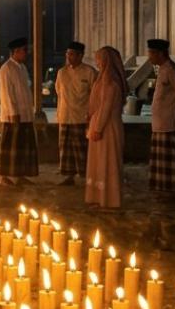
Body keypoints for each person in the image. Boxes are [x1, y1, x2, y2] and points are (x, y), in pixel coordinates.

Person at [85, 46, 127, 209]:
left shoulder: (111, 82)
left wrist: (98, 128)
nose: (97, 63)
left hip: (107, 128)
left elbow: (106, 107)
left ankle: (109, 198)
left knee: (107, 161)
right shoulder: (102, 79)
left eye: (99, 59)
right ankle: (97, 196)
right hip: (98, 124)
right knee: (98, 162)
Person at [147, 38, 175, 196]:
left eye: (151, 53)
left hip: (170, 123)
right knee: (160, 160)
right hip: (160, 124)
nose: (149, 56)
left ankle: (170, 190)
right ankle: (161, 188)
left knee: (169, 160)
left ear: (160, 53)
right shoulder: (162, 69)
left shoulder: (172, 70)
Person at [54, 41, 97, 186]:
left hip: (81, 116)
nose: (69, 57)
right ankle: (68, 175)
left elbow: (94, 95)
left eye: (72, 54)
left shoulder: (89, 72)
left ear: (80, 56)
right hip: (65, 115)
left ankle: (86, 175)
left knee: (82, 148)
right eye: (67, 54)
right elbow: (59, 92)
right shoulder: (62, 73)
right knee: (65, 148)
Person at [0, 37, 38, 186]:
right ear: (15, 52)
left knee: (23, 146)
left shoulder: (22, 68)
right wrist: (13, 112)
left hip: (25, 113)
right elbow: (7, 93)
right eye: (23, 51)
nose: (25, 54)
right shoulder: (6, 68)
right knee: (11, 146)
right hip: (12, 116)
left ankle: (20, 175)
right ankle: (4, 176)